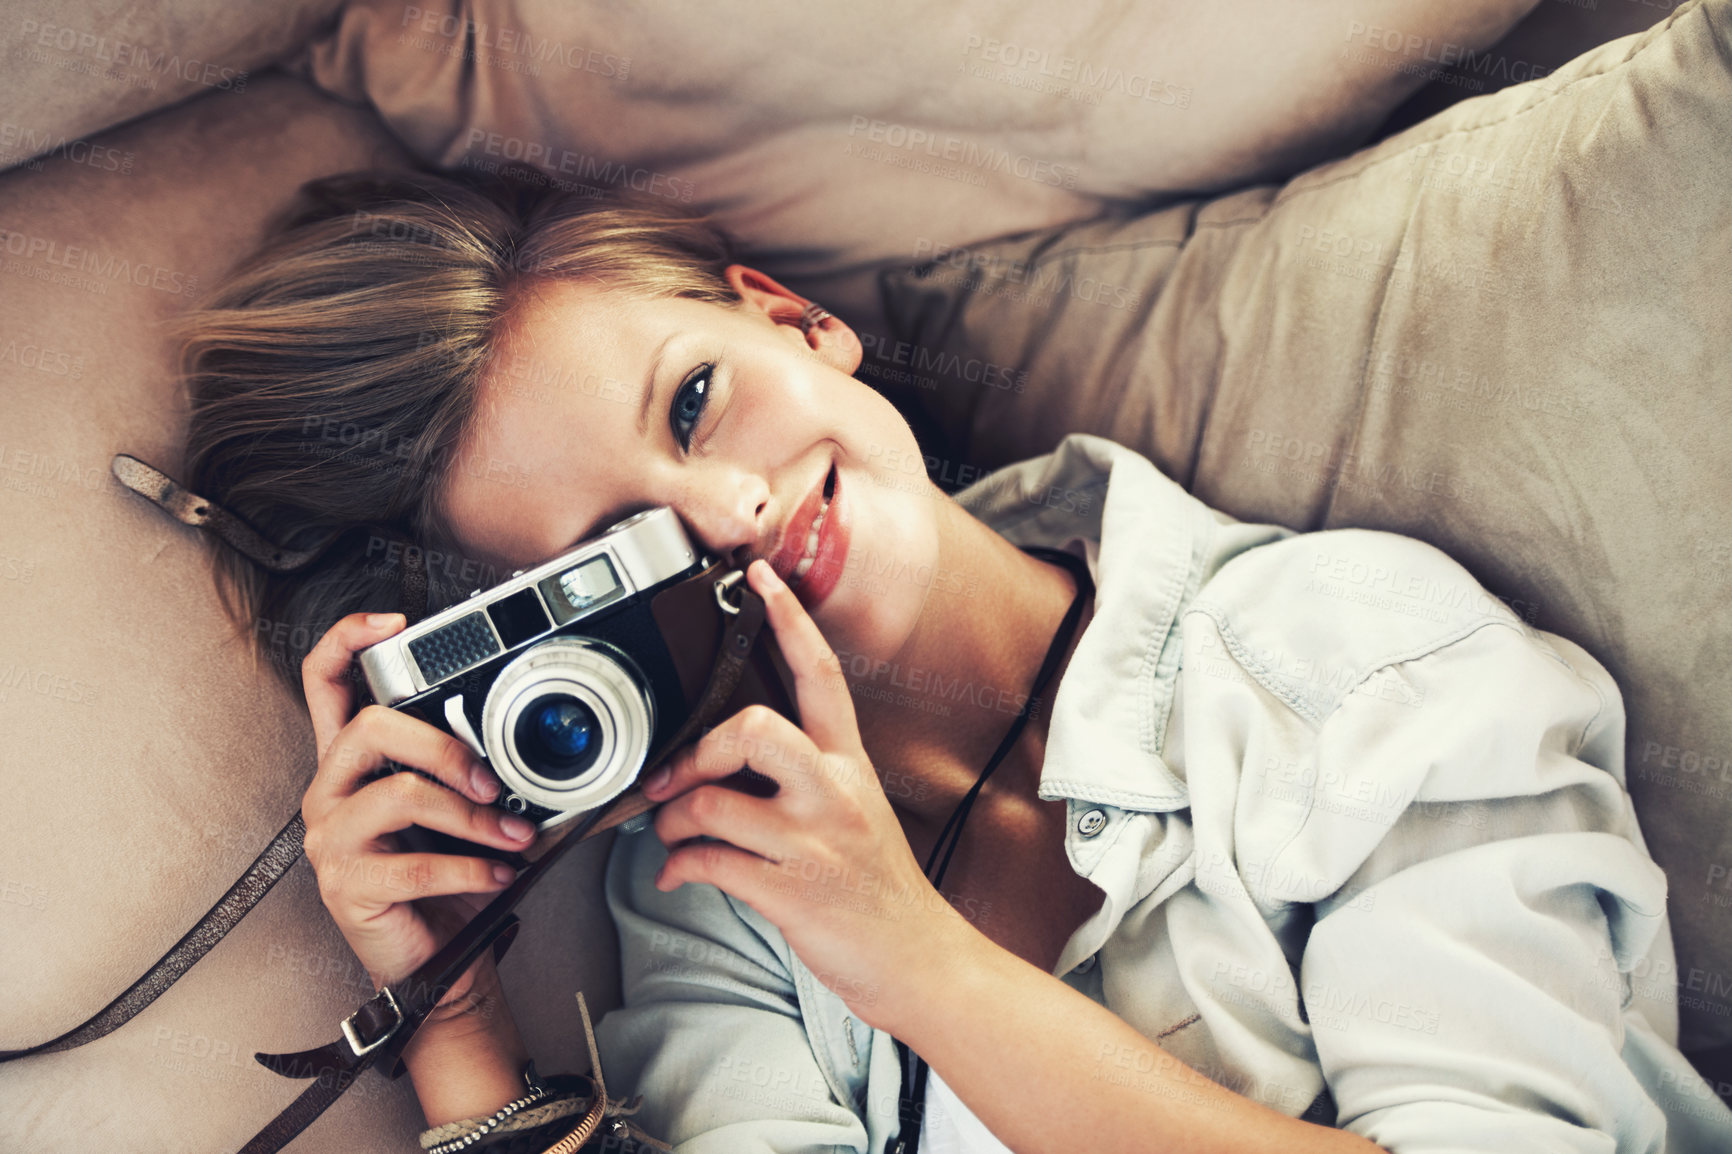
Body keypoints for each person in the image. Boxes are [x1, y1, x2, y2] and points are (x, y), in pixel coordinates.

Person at [180, 166, 1732, 1153]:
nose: (731, 511)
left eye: (698, 402)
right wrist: (452, 1024)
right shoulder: (707, 884)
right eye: (614, 549)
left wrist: (913, 961)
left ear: (793, 320)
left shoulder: (1354, 663)